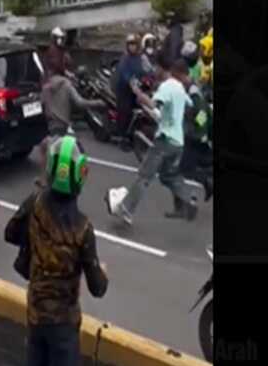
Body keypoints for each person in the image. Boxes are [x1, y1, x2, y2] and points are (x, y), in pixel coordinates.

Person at [4, 135, 108, 366]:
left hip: (35, 314)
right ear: (81, 174)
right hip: (64, 324)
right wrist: (102, 271)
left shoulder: (34, 203)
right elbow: (98, 288)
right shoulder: (83, 229)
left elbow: (10, 233)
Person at [106, 59, 201, 225]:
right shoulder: (181, 90)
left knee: (144, 176)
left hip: (164, 140)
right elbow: (188, 107)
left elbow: (153, 103)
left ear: (172, 71)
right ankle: (189, 199)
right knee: (168, 175)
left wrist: (139, 94)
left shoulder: (168, 86)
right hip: (178, 143)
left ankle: (126, 210)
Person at [39, 71, 104, 164]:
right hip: (64, 128)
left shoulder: (45, 87)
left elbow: (41, 105)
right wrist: (97, 102)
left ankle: (44, 178)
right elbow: (80, 103)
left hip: (52, 129)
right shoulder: (67, 85)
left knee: (49, 159)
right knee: (80, 157)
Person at [111, 34, 152, 142]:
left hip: (139, 88)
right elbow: (126, 75)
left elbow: (149, 70)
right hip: (125, 89)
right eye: (130, 44)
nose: (132, 47)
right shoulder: (125, 59)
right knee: (126, 110)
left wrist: (150, 79)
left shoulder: (142, 58)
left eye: (134, 44)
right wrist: (133, 85)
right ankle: (122, 135)